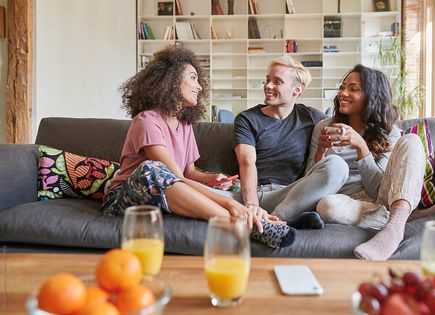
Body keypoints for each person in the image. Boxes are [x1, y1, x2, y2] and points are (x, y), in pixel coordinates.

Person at [101, 46, 296, 249]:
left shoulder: (185, 124)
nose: (199, 87)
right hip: (124, 200)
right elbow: (175, 177)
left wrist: (212, 179)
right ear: (172, 81)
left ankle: (253, 218)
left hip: (163, 198)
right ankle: (243, 225)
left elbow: (190, 172)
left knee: (236, 187)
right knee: (152, 170)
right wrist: (231, 205)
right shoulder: (146, 121)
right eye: (193, 78)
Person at [306, 64, 435, 260]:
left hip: (382, 196)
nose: (343, 93)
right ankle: (406, 216)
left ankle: (394, 230)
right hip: (344, 200)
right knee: (326, 206)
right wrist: (320, 150)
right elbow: (308, 180)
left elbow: (376, 188)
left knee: (411, 141)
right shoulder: (323, 127)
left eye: (353, 89)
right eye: (343, 87)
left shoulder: (390, 132)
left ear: (371, 96)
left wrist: (361, 147)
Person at [232, 55, 334, 229]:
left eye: (277, 81)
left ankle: (272, 222)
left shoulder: (310, 117)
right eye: (267, 80)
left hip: (293, 194)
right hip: (259, 194)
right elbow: (247, 162)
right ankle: (282, 223)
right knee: (195, 195)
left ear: (297, 90)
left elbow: (343, 125)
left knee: (336, 165)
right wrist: (252, 205)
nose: (268, 86)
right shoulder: (247, 119)